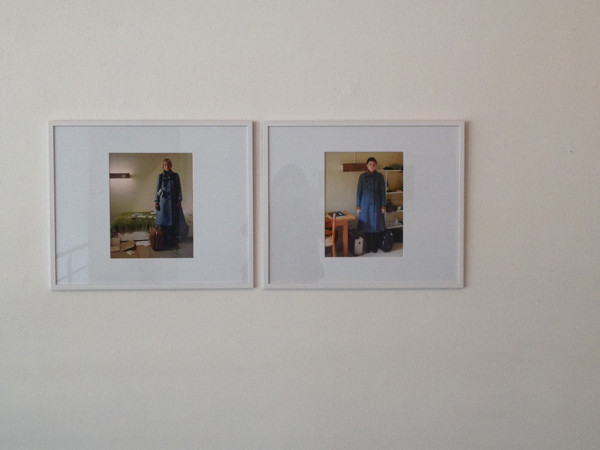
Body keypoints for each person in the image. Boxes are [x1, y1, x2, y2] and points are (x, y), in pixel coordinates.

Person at [356, 157, 386, 252]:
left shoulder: (380, 176)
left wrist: (383, 205)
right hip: (365, 206)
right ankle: (368, 246)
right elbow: (359, 192)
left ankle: (375, 246)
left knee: (376, 226)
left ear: (376, 166)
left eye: (374, 165)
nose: (372, 166)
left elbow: (383, 192)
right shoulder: (362, 177)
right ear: (367, 165)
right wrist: (358, 206)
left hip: (377, 205)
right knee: (366, 227)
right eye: (370, 164)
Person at [154, 158, 182, 246]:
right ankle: (165, 242)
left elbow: (179, 189)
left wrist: (179, 200)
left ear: (171, 165)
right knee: (164, 223)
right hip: (163, 202)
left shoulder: (175, 176)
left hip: (173, 202)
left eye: (169, 164)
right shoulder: (160, 176)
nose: (167, 166)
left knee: (173, 223)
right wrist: (156, 201)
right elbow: (157, 189)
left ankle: (172, 242)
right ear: (163, 166)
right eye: (165, 164)